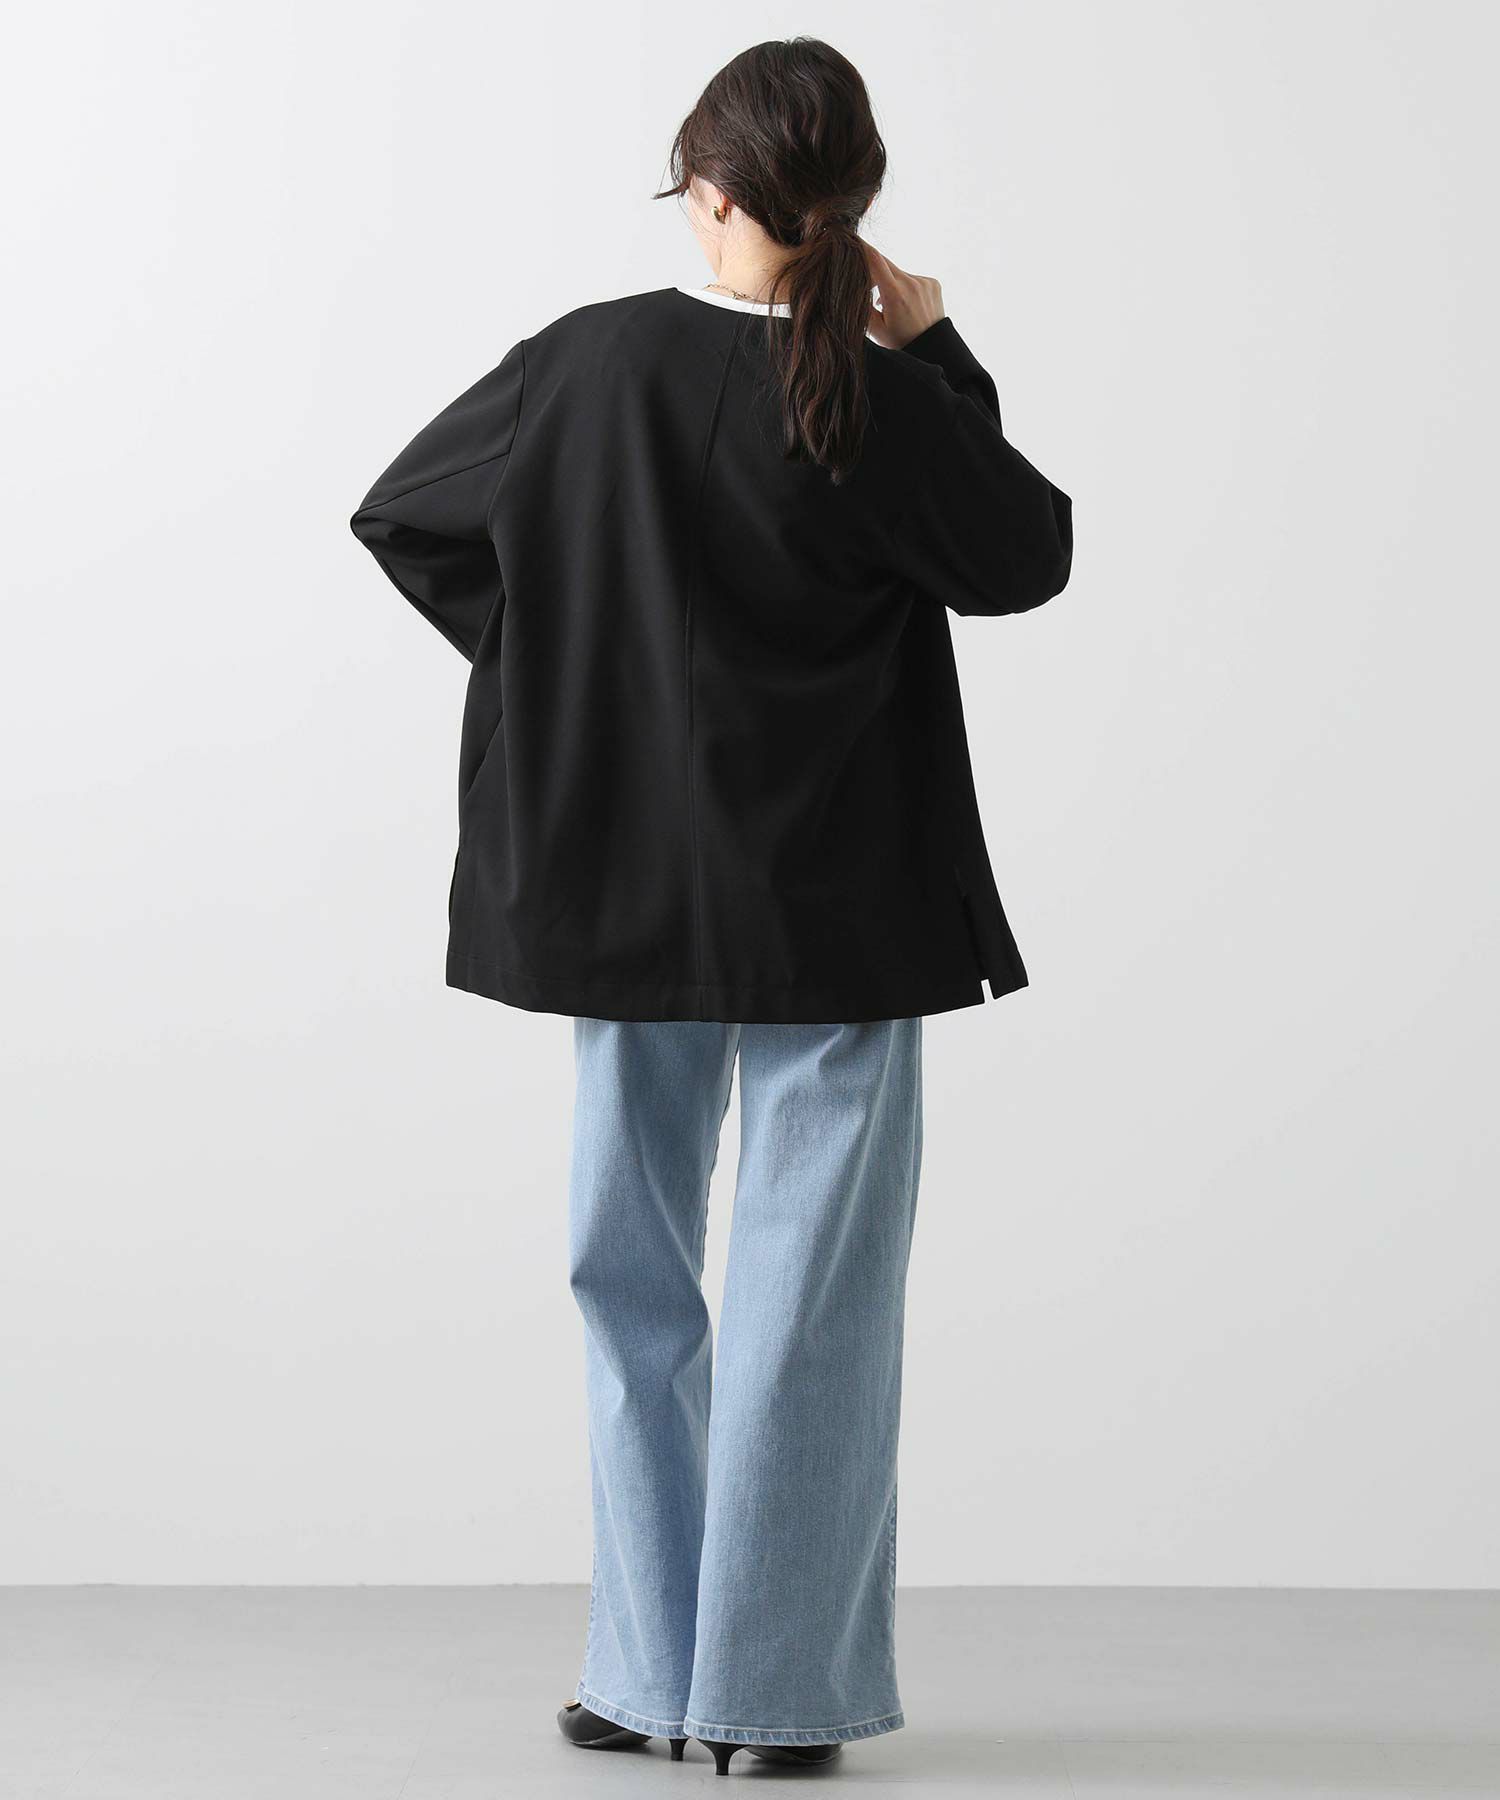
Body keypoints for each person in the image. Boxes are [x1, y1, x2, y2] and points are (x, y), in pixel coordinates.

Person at [350, 36, 1071, 1777]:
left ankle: (642, 1673)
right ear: (849, 208)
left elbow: (408, 516)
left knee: (630, 1279)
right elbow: (1025, 554)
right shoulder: (880, 400)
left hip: (622, 895)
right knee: (810, 1304)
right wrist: (938, 350)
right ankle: (775, 1701)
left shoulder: (582, 367)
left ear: (717, 189)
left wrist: (565, 669)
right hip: (839, 904)